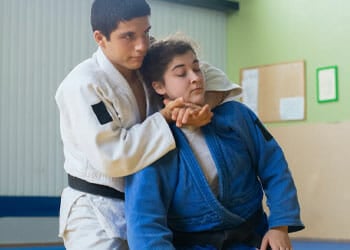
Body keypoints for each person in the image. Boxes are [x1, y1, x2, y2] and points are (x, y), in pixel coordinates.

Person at [55, 0, 241, 249]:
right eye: (128, 36)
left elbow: (215, 79)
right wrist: (167, 117)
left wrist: (196, 108)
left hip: (154, 207)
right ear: (100, 38)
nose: (142, 45)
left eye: (146, 32)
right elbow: (113, 157)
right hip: (96, 212)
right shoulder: (83, 85)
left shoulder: (149, 63)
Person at [124, 36, 305, 250]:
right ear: (159, 86)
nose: (195, 78)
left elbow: (275, 168)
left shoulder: (237, 116)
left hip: (252, 238)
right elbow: (144, 220)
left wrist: (280, 226)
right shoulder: (152, 139)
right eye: (181, 73)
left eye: (197, 69)